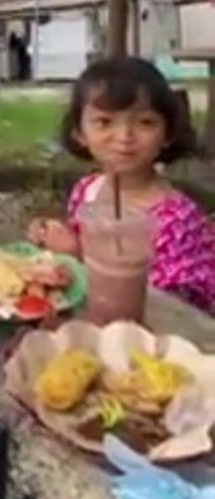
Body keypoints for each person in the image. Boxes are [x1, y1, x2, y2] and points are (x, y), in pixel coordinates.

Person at [28, 57, 215, 313]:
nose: (125, 136)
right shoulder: (86, 190)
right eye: (104, 122)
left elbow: (170, 309)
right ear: (79, 133)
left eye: (145, 122)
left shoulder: (178, 221)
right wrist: (52, 238)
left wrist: (78, 255)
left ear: (167, 133)